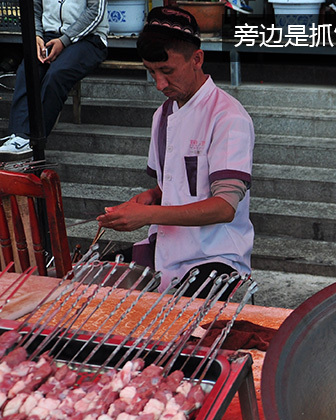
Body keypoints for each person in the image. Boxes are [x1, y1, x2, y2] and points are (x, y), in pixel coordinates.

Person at [95, 6, 254, 297]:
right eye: (151, 72)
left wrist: (147, 214)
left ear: (197, 59)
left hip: (215, 256)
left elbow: (224, 207)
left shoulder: (228, 117)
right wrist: (151, 196)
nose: (159, 84)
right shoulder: (163, 115)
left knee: (177, 327)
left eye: (167, 71)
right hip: (168, 247)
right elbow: (172, 182)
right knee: (90, 282)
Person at [0, 0, 108, 160]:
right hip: (48, 36)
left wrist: (64, 40)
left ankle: (34, 138)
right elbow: (33, 9)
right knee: (27, 70)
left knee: (57, 74)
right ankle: (18, 135)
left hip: (88, 39)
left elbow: (96, 12)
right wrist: (37, 35)